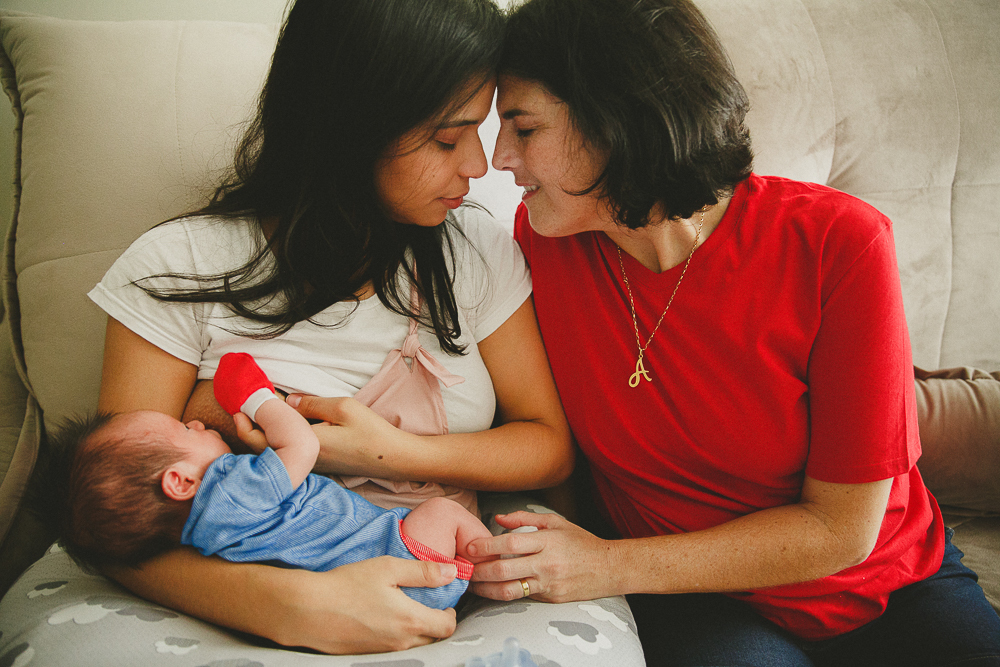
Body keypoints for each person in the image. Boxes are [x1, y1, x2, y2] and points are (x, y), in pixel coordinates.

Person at [467, 0, 1000, 665]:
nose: (499, 158)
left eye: (522, 126)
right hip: (694, 595)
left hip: (888, 584)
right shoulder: (538, 246)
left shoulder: (839, 244)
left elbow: (840, 529)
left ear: (618, 119)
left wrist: (605, 564)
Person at [87, 0, 573, 654]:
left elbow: (547, 444)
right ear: (350, 126)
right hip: (226, 600)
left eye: (478, 130)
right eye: (446, 138)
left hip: (440, 576)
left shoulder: (473, 251)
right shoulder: (178, 268)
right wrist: (291, 604)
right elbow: (116, 524)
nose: (479, 167)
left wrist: (393, 453)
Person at [47, 353, 493, 610]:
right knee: (443, 513)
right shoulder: (229, 490)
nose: (198, 426)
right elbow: (301, 446)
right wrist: (255, 397)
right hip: (402, 558)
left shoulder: (202, 537)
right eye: (185, 432)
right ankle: (488, 562)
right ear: (180, 482)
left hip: (375, 594)